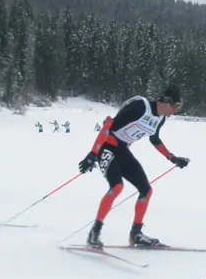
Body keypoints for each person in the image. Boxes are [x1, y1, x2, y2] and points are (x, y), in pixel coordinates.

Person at [77, 84, 190, 248]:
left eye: (178, 107)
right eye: (175, 106)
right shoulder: (140, 107)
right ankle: (94, 232)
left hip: (122, 149)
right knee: (117, 186)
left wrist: (172, 158)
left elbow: (154, 139)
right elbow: (109, 126)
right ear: (165, 101)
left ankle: (135, 234)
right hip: (106, 146)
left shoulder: (160, 119)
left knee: (146, 190)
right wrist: (93, 154)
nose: (175, 110)